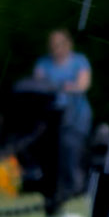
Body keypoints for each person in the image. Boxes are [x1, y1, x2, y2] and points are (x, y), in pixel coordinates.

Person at [32, 28, 92, 205]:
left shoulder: (79, 61)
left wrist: (67, 88)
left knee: (72, 152)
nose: (56, 48)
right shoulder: (44, 63)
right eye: (53, 44)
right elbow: (38, 84)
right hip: (52, 119)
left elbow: (83, 84)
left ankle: (76, 189)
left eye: (60, 44)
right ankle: (55, 191)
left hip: (75, 116)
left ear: (68, 44)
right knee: (51, 155)